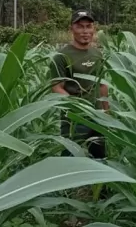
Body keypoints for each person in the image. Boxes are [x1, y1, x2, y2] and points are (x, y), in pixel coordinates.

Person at [50, 9, 109, 159]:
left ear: (94, 29)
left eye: (88, 26)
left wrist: (106, 111)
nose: (85, 31)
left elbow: (102, 85)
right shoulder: (61, 56)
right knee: (69, 156)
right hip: (73, 117)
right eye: (80, 27)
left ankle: (100, 183)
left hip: (97, 115)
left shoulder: (97, 54)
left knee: (100, 158)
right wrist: (77, 106)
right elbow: (57, 87)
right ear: (71, 29)